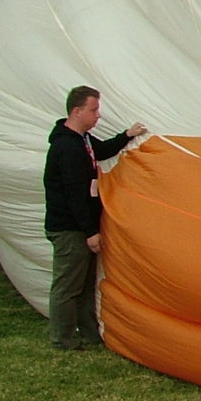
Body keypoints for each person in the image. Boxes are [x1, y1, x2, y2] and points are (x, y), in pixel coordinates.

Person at [43, 86, 146, 350]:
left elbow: (101, 151)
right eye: (93, 110)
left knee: (84, 284)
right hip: (70, 228)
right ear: (77, 111)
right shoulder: (67, 147)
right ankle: (62, 339)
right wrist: (90, 232)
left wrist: (127, 135)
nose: (98, 115)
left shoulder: (83, 140)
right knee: (67, 286)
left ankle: (89, 332)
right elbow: (75, 195)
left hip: (79, 226)